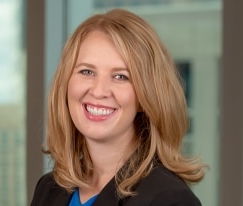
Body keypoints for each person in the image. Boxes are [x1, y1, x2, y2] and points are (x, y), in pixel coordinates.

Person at [30, 8, 206, 206]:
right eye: (87, 71)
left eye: (120, 76)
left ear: (146, 96)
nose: (99, 90)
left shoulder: (169, 199)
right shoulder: (49, 189)